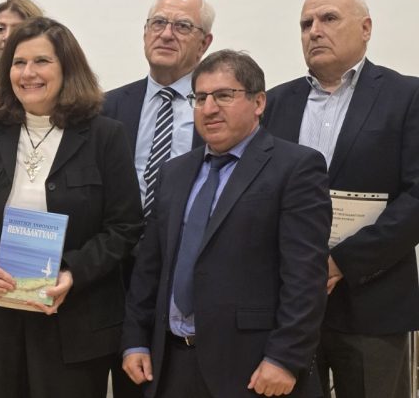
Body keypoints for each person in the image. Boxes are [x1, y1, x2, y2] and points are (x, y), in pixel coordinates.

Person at [0, 17, 143, 398]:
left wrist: (73, 273)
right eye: (18, 62)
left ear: (67, 68)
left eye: (41, 61)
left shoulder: (105, 136)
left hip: (72, 323)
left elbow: (125, 227)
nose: (28, 73)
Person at [121, 50, 331, 398]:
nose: (209, 108)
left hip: (252, 368)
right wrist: (135, 340)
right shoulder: (174, 172)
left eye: (223, 96)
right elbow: (150, 267)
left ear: (258, 102)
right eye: (200, 97)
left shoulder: (295, 167)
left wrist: (285, 357)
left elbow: (305, 276)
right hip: (170, 363)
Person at [261, 0, 419, 398]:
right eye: (305, 24)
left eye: (329, 18)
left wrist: (339, 262)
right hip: (286, 305)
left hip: (372, 302)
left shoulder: (407, 97)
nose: (314, 31)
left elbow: (416, 199)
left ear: (366, 29)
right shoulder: (274, 102)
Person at [101, 0, 215, 397]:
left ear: (205, 43)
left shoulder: (218, 109)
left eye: (182, 26)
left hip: (188, 278)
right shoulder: (108, 106)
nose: (166, 34)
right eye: (158, 23)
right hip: (113, 275)